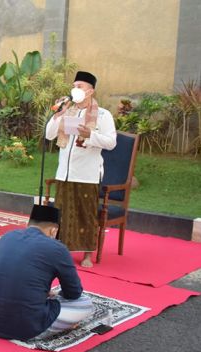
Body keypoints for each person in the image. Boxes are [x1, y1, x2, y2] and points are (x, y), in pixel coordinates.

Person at [0, 205, 94, 341]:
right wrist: (56, 296)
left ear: (29, 224)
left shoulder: (7, 237)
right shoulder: (57, 248)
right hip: (28, 327)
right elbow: (74, 293)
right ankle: (60, 323)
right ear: (54, 230)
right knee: (86, 303)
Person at [45, 71, 116, 267]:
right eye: (74, 86)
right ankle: (60, 250)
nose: (75, 89)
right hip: (64, 174)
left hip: (87, 174)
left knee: (85, 214)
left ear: (90, 91)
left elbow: (111, 142)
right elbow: (49, 135)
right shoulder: (68, 111)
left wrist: (90, 135)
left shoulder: (102, 115)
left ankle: (86, 255)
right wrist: (58, 114)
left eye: (80, 86)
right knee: (62, 214)